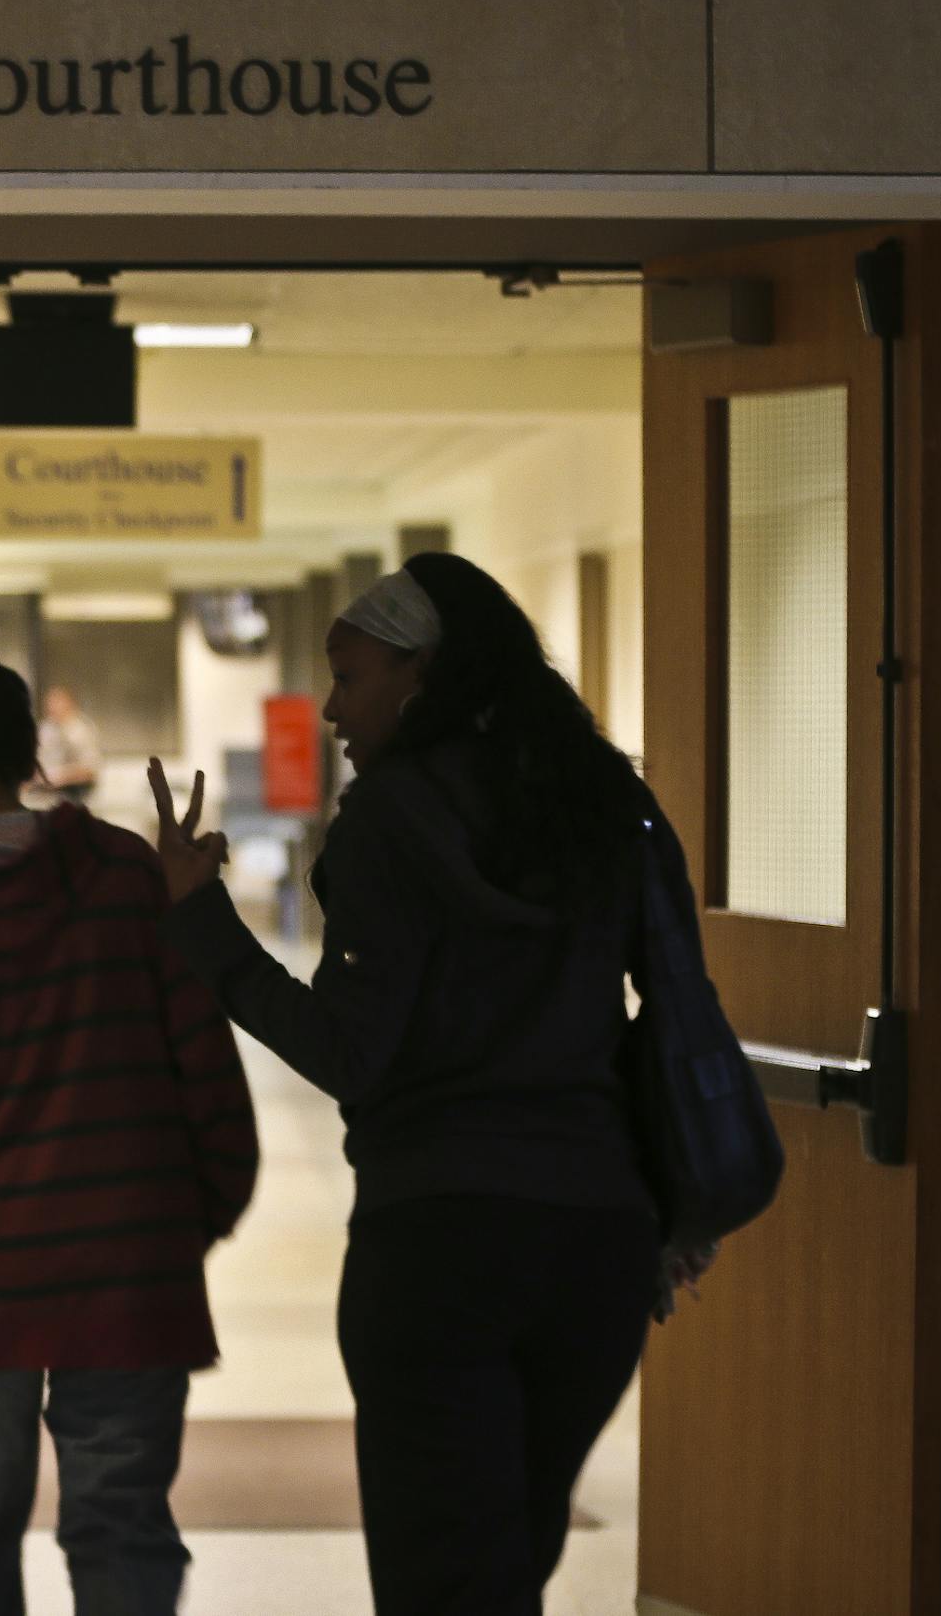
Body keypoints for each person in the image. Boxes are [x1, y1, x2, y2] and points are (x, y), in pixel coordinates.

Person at [147, 553, 661, 1616]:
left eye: (350, 676)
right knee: (509, 1566)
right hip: (598, 1246)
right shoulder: (603, 795)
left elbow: (350, 1052)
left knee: (445, 1580)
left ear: (423, 671)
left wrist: (204, 927)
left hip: (440, 1246)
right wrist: (677, 1193)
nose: (333, 707)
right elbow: (679, 1002)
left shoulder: (392, 818)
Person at [0, 643, 260, 1616]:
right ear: (29, 752)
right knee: (122, 1532)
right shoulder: (122, 873)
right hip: (131, 1275)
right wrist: (177, 1228)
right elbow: (207, 1076)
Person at [38, 683, 103, 803]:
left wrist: (58, 777)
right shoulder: (46, 728)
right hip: (46, 786)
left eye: (57, 703)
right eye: (50, 703)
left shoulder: (81, 730)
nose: (52, 707)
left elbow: (89, 769)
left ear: (69, 704)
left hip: (75, 789)